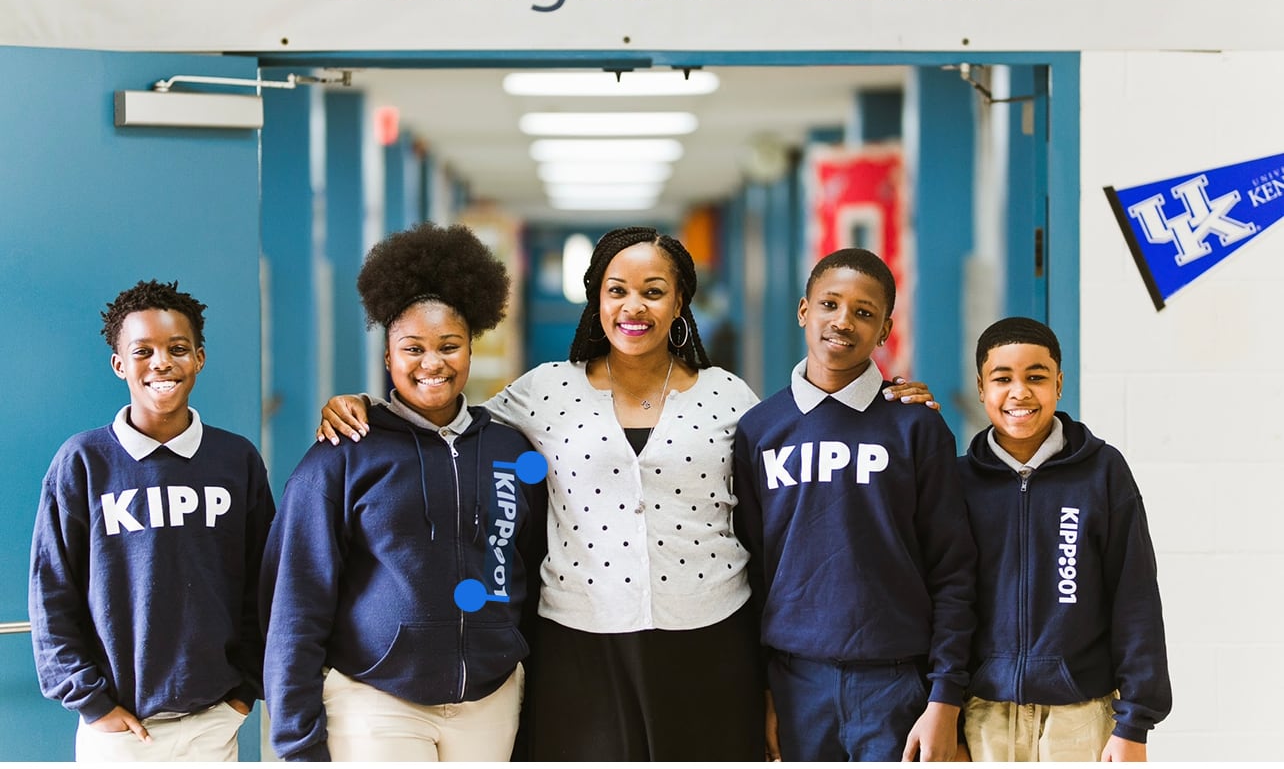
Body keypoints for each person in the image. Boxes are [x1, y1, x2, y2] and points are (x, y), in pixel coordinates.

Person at [317, 227, 938, 760]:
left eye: (653, 291)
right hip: (578, 643)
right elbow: (450, 425)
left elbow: (774, 506)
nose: (633, 306)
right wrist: (367, 408)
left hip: (712, 636)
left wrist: (887, 406)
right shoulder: (546, 391)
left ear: (679, 304)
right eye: (617, 290)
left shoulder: (728, 395)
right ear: (597, 300)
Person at [259, 223, 547, 762]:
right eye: (412, 348)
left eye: (449, 346)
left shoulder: (512, 449)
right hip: (377, 699)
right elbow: (297, 598)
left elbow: (532, 571)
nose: (431, 362)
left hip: (491, 699)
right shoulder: (345, 451)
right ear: (389, 355)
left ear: (470, 347)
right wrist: (296, 739)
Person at [732, 247, 977, 763]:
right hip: (796, 682)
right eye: (830, 304)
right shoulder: (759, 429)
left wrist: (945, 696)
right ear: (804, 311)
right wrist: (763, 689)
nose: (843, 321)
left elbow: (953, 568)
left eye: (864, 313)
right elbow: (751, 567)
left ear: (885, 329)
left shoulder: (915, 425)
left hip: (896, 684)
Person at [29, 279, 275, 762]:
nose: (162, 362)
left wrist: (245, 689)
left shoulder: (235, 459)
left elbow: (264, 581)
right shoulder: (83, 461)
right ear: (119, 364)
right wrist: (91, 704)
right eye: (143, 351)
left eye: (177, 348)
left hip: (214, 721)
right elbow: (51, 591)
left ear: (199, 359)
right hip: (117, 728)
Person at [956, 316, 1171, 762]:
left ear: (1059, 383)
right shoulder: (957, 481)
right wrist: (945, 713)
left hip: (1084, 713)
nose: (1019, 392)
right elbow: (942, 604)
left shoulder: (1103, 471)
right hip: (982, 713)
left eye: (1036, 377)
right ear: (980, 387)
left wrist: (1134, 722)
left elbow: (1135, 598)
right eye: (1002, 379)